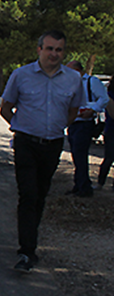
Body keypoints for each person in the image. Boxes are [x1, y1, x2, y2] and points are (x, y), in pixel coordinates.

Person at [0, 30, 84, 273]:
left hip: (53, 143)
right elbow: (6, 108)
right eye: (49, 49)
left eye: (59, 50)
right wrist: (20, 127)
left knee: (40, 194)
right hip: (26, 143)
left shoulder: (73, 79)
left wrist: (57, 127)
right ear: (39, 50)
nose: (54, 54)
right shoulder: (21, 75)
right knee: (27, 194)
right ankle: (27, 250)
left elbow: (73, 110)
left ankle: (29, 241)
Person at [64, 60, 108, 197]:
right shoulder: (71, 83)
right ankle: (78, 185)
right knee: (76, 156)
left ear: (77, 70)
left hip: (84, 123)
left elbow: (103, 98)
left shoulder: (91, 82)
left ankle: (85, 188)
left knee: (80, 155)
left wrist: (92, 109)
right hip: (73, 122)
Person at [97, 79, 114, 190]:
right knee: (109, 157)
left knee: (109, 157)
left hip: (110, 129)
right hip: (112, 129)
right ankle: (100, 183)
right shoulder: (109, 96)